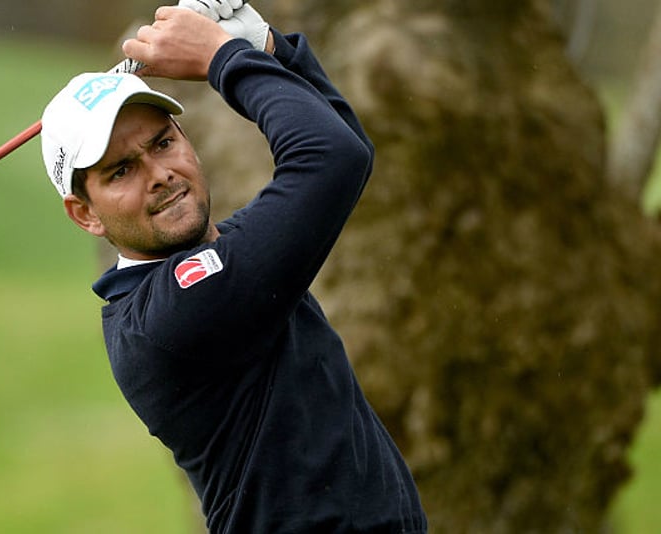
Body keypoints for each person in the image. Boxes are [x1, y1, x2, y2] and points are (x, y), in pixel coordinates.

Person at [39, 3, 427, 532]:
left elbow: (345, 148)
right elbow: (329, 159)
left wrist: (270, 49)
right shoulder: (174, 313)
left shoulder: (218, 261)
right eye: (122, 170)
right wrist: (224, 57)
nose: (160, 174)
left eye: (164, 142)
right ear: (85, 213)